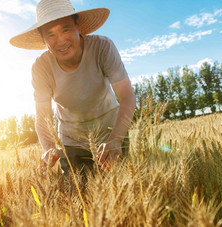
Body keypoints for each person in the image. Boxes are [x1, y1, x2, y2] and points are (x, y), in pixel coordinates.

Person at [10, 0, 136, 177]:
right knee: (79, 198)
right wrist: (49, 148)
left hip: (112, 133)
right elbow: (43, 117)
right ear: (43, 39)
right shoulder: (41, 68)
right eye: (51, 35)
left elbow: (127, 96)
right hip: (71, 143)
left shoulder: (102, 47)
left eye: (66, 29)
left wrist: (116, 140)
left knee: (123, 192)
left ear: (78, 26)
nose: (60, 40)